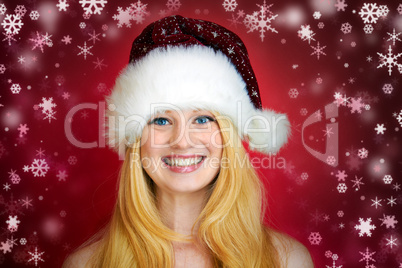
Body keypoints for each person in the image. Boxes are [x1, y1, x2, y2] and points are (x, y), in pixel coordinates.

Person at [63, 15, 314, 267]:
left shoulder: (288, 261)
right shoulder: (85, 264)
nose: (182, 142)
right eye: (161, 120)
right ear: (136, 141)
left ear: (229, 137)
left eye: (202, 119)